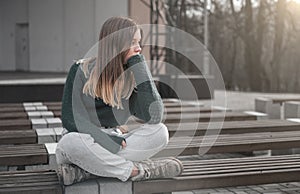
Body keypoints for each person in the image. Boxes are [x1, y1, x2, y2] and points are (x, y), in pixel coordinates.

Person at [55, 16, 183, 186]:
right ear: (116, 45)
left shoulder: (132, 75)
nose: (138, 48)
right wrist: (105, 141)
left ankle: (85, 171)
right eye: (133, 42)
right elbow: (71, 120)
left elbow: (155, 116)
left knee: (160, 132)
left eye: (139, 41)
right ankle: (140, 171)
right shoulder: (80, 69)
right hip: (84, 140)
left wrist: (141, 69)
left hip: (116, 141)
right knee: (71, 143)